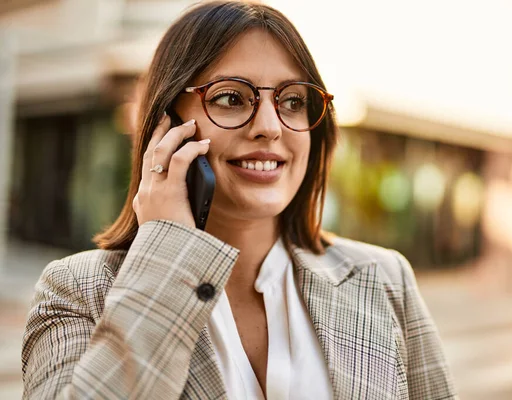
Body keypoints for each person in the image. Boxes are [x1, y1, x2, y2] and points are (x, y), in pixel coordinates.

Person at [21, 1, 457, 399]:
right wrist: (167, 249)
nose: (269, 126)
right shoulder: (77, 291)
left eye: (291, 101)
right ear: (166, 126)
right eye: (231, 98)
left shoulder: (383, 279)